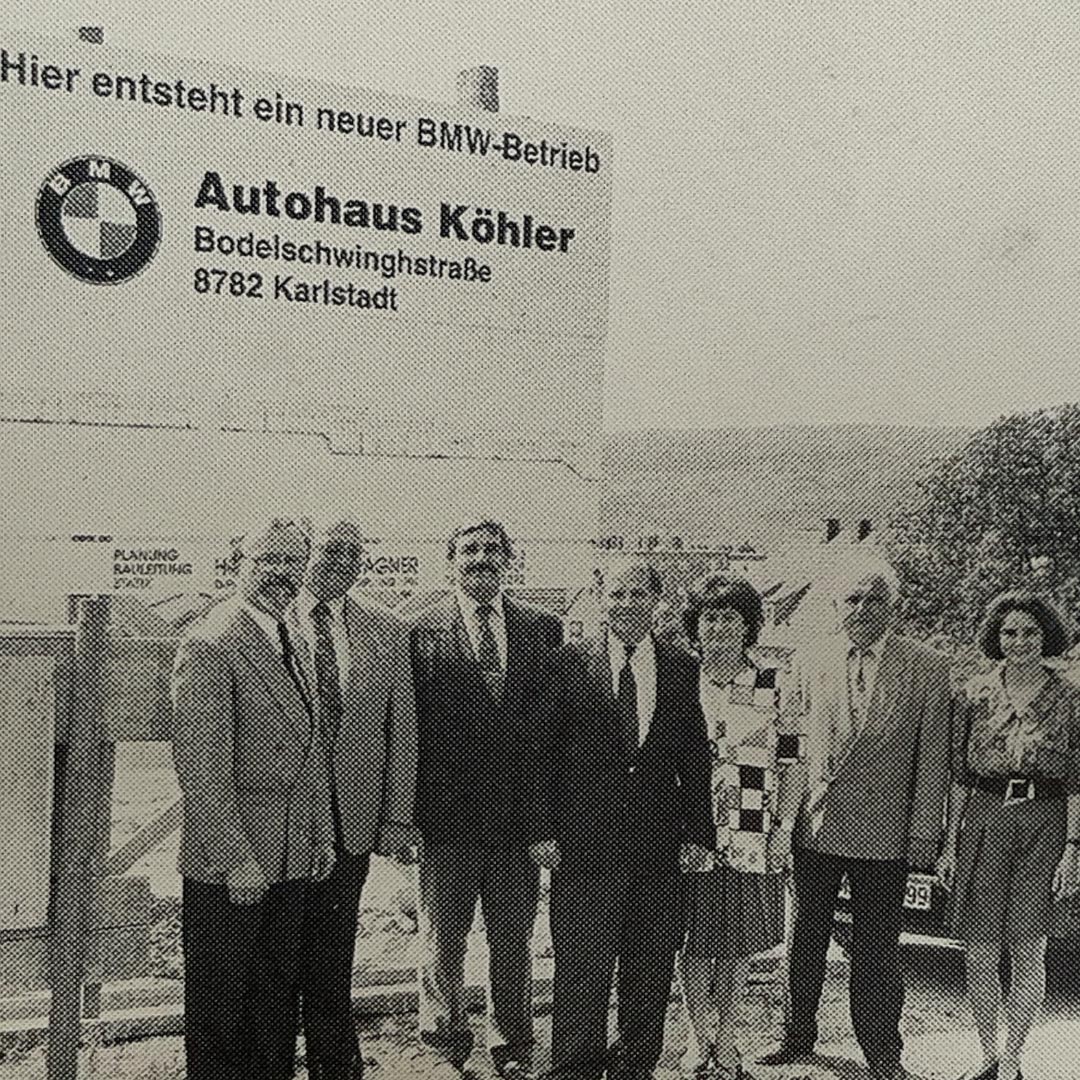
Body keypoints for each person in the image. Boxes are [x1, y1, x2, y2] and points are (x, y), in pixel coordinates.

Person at [757, 555, 951, 1080]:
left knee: (877, 947)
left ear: (893, 607)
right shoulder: (809, 657)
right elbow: (789, 747)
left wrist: (923, 839)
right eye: (853, 599)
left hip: (886, 836)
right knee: (805, 936)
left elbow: (933, 761)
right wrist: (783, 821)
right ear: (837, 606)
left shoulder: (928, 666)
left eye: (874, 600)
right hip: (817, 826)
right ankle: (795, 1036)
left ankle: (883, 1052)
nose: (862, 609)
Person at [529, 557, 714, 1080]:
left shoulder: (682, 666)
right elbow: (542, 751)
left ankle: (636, 1066)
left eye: (638, 594)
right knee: (582, 968)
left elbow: (693, 755)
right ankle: (573, 1068)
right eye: (617, 594)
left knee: (648, 969)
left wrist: (699, 833)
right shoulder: (567, 661)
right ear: (600, 597)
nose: (627, 604)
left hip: (658, 849)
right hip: (584, 846)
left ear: (657, 602)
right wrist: (542, 829)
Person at [171, 517, 336, 1080]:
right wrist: (237, 859)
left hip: (290, 862)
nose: (283, 574)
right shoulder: (212, 642)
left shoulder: (290, 635)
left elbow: (307, 753)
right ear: (234, 564)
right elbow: (202, 772)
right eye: (268, 561)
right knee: (221, 1015)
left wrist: (315, 838)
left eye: (293, 562)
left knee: (273, 1006)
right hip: (232, 872)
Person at [409, 519, 564, 1077]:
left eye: (491, 550)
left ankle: (513, 1043)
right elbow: (411, 732)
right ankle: (443, 1041)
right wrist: (409, 817)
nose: (481, 559)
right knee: (442, 938)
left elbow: (550, 735)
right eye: (469, 550)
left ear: (509, 559)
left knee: (512, 940)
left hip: (517, 827)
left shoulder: (543, 629)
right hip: (446, 823)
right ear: (450, 561)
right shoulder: (420, 630)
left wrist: (544, 822)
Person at [289, 518, 420, 1080]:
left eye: (355, 551)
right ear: (303, 552)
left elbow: (402, 729)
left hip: (351, 823)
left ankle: (336, 1066)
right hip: (282, 822)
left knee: (333, 954)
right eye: (331, 549)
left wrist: (394, 819)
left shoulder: (386, 629)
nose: (344, 560)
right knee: (279, 957)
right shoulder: (270, 620)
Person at [936, 590, 1080, 1080]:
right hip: (983, 817)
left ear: (1047, 637)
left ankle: (1015, 1058)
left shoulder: (1070, 695)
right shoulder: (973, 693)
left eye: (1030, 632)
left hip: (1045, 821)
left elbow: (1078, 777)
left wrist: (1073, 849)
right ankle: (988, 1057)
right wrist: (950, 843)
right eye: (1009, 632)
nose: (1019, 641)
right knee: (978, 951)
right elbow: (957, 773)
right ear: (996, 638)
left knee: (1028, 948)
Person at [677, 576, 800, 1080]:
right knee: (692, 939)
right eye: (710, 617)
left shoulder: (776, 682)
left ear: (749, 625)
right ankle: (694, 1035)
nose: (720, 626)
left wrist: (785, 826)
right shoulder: (678, 678)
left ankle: (727, 1037)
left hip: (752, 830)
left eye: (731, 617)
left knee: (736, 940)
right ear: (696, 627)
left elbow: (793, 762)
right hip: (689, 830)